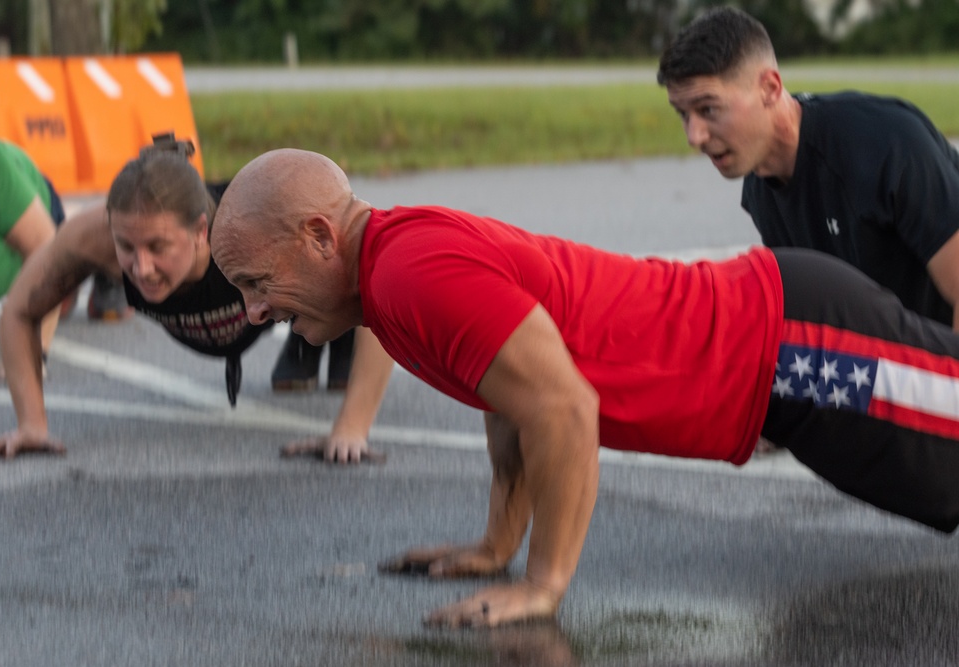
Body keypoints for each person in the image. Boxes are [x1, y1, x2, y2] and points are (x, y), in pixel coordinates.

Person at [211, 148, 959, 629]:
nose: (252, 310)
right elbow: (507, 398)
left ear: (318, 236)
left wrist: (544, 583)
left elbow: (563, 407)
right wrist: (497, 542)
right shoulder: (387, 278)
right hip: (774, 368)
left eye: (256, 281)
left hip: (792, 344)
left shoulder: (411, 274)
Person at [0, 138, 394, 464]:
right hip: (249, 314)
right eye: (126, 247)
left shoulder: (251, 230)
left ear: (201, 232)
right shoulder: (90, 237)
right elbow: (20, 310)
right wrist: (31, 424)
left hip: (289, 305)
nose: (143, 266)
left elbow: (374, 278)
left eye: (158, 246)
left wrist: (352, 427)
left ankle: (322, 338)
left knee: (331, 284)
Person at [656, 6, 959, 331]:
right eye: (684, 114)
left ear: (770, 89)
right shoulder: (760, 185)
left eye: (709, 109)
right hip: (886, 364)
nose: (694, 135)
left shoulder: (887, 144)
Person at [0, 102, 63, 372]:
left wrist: (30, 356)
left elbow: (45, 244)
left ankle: (106, 265)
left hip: (34, 202)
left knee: (91, 255)